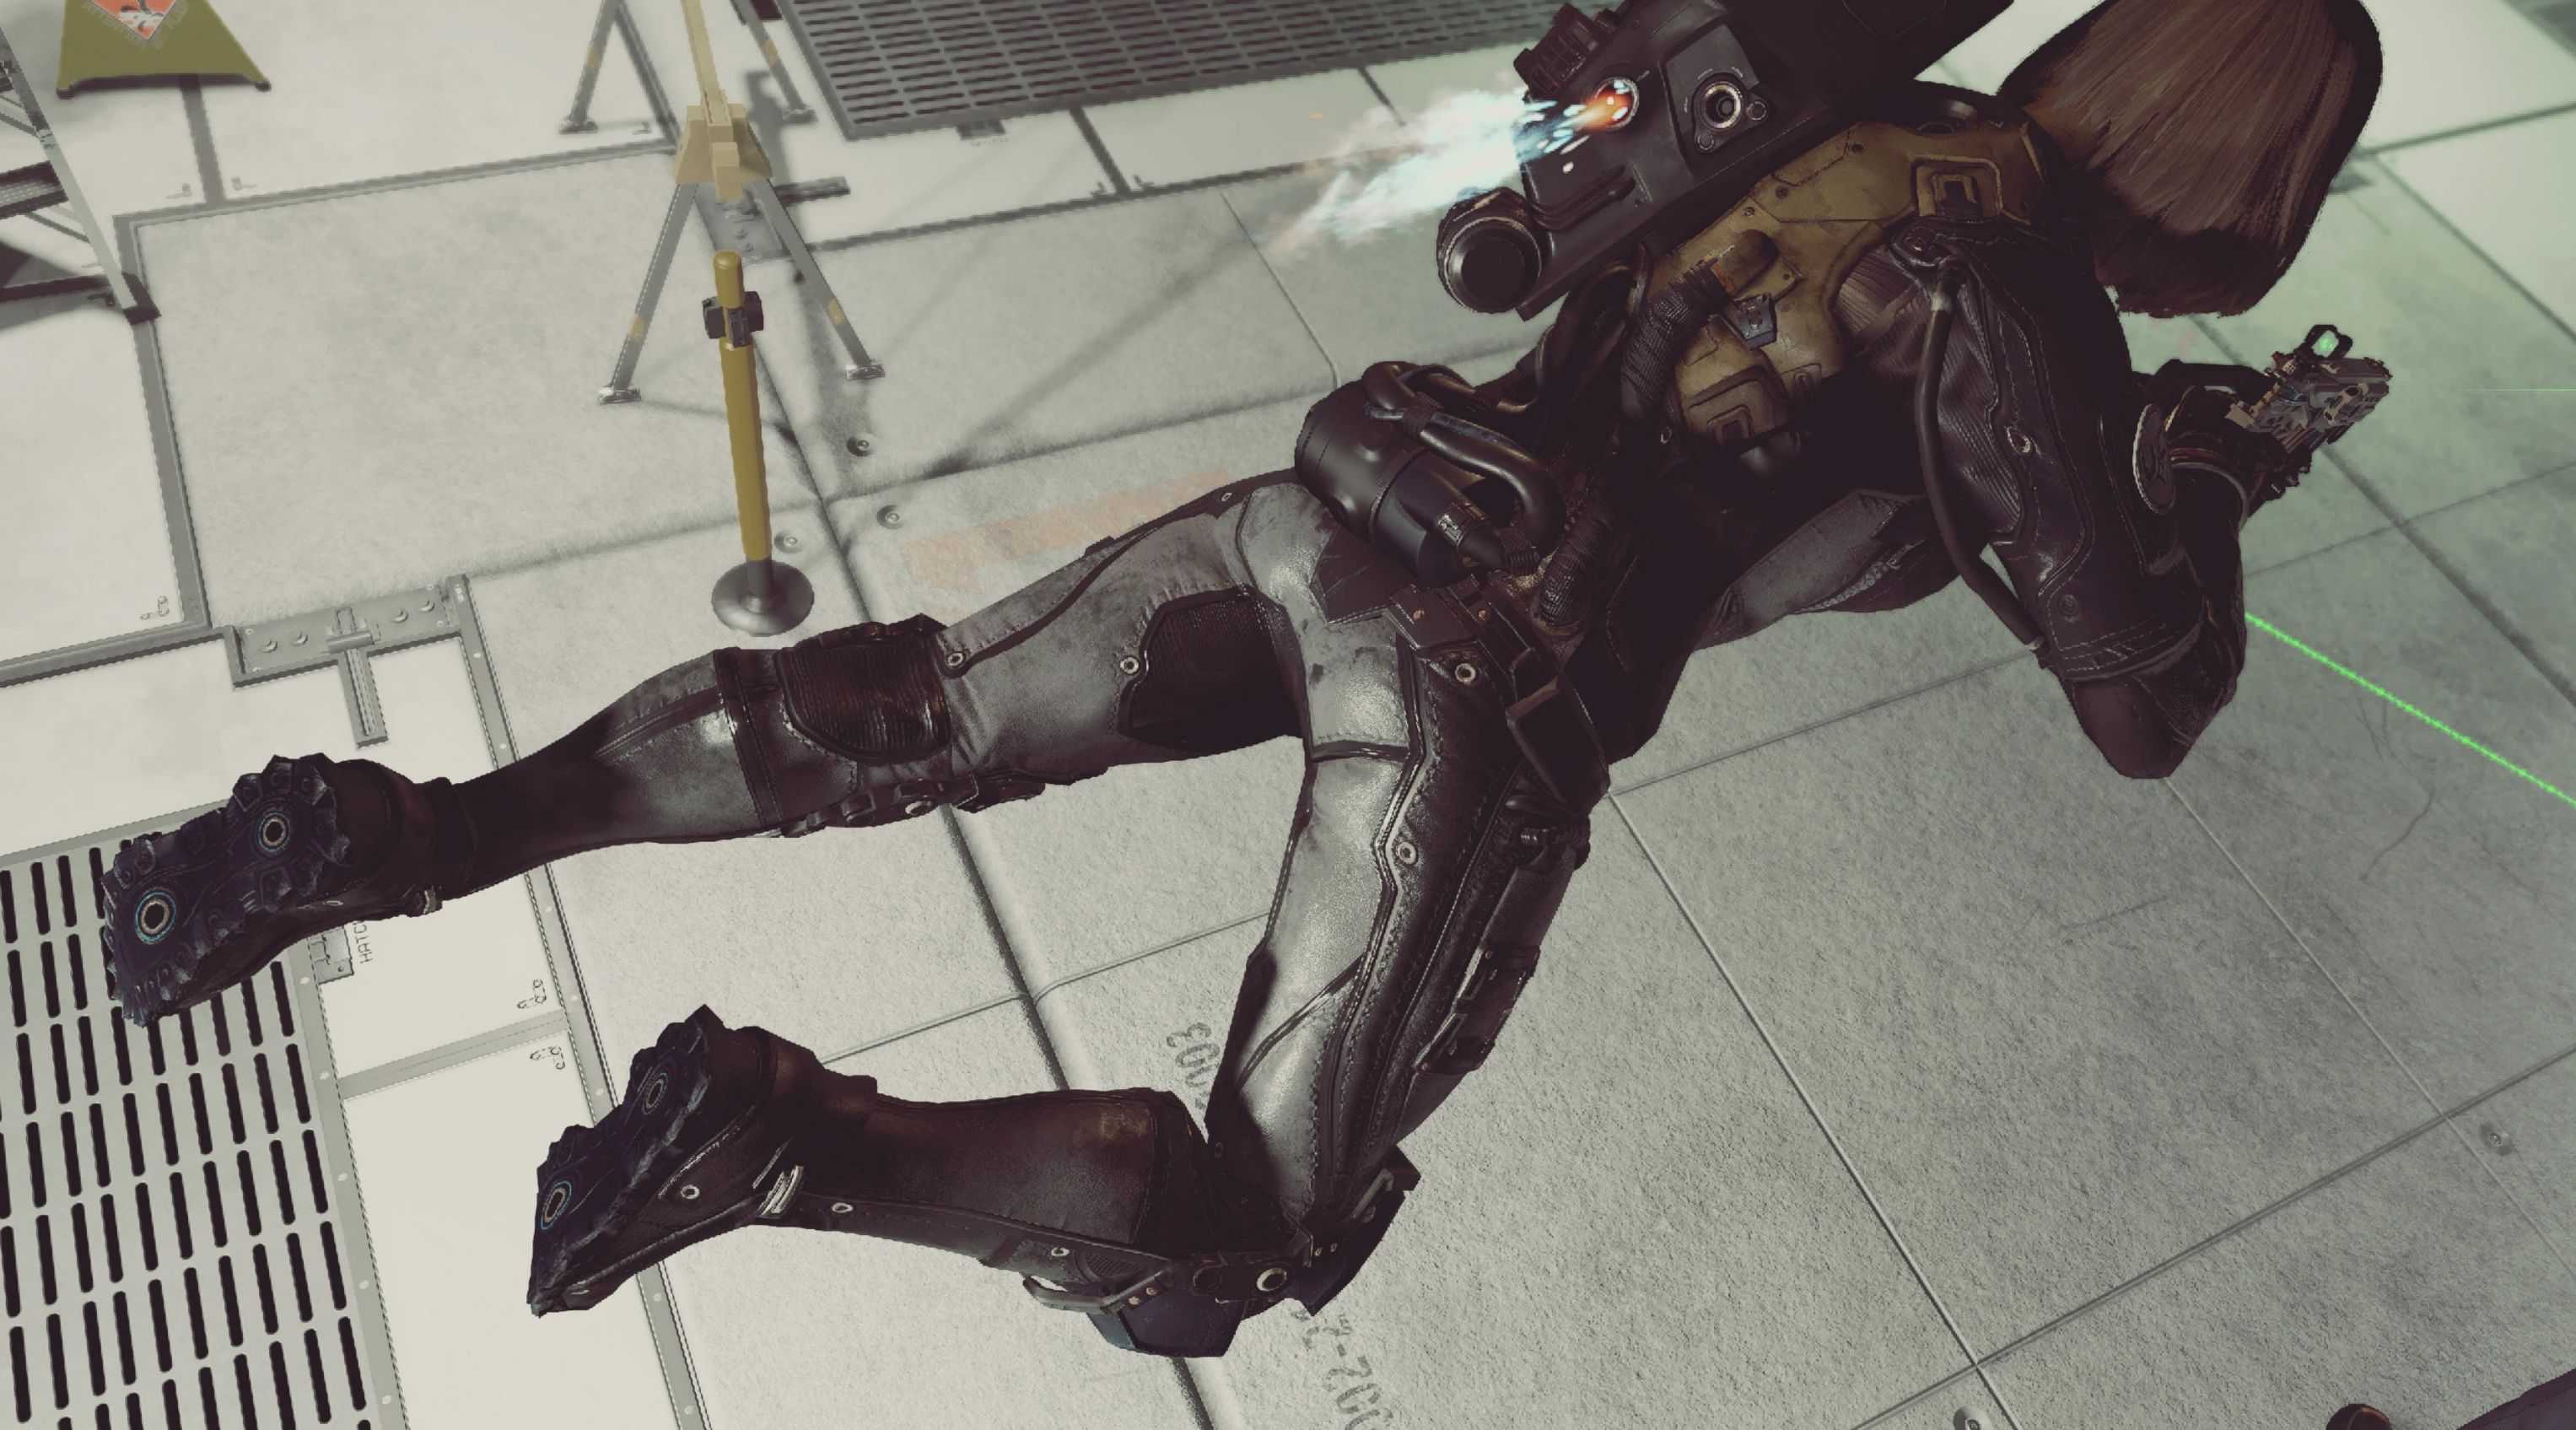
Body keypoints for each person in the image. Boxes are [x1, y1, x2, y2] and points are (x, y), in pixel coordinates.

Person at [99, 0, 2384, 1359]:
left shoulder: (1841, 109)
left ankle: (409, 836)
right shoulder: (2011, 287)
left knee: (912, 706)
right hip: (1493, 671)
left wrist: (2167, 445)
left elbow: (1590, 214)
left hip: (1346, 499)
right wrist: (2194, 492)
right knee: (1245, 1231)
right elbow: (2137, 696)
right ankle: (784, 1142)